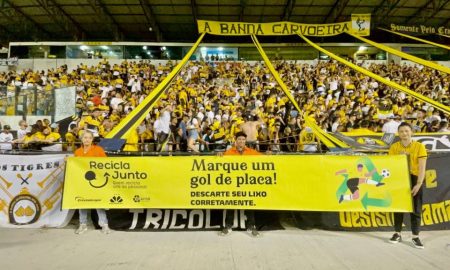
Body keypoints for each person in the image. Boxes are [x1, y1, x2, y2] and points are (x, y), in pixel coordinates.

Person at [388, 122, 427, 249]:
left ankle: (415, 236)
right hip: (399, 179)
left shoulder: (419, 147)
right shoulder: (394, 147)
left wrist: (418, 184)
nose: (404, 133)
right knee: (398, 208)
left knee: (415, 209)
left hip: (415, 179)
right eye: (401, 131)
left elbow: (422, 168)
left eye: (406, 131)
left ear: (411, 132)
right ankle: (397, 233)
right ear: (398, 134)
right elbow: (391, 166)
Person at [219, 131, 262, 237]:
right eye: (239, 139)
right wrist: (219, 155)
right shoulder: (229, 152)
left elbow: (263, 159)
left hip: (247, 183)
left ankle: (251, 226)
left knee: (250, 204)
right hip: (233, 183)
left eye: (243, 139)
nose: (241, 141)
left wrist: (269, 155)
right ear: (236, 140)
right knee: (231, 204)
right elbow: (220, 161)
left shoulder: (251, 152)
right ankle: (228, 226)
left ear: (245, 141)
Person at [73, 130, 110, 234]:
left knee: (99, 202)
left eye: (89, 138)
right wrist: (69, 161)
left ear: (92, 139)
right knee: (82, 202)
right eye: (85, 137)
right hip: (82, 182)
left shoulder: (98, 150)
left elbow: (106, 164)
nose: (87, 140)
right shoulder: (77, 152)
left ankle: (104, 225)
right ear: (81, 139)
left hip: (96, 181)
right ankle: (83, 224)